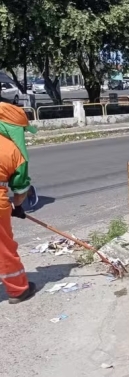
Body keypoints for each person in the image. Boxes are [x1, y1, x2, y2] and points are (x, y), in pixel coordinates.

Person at [0, 101, 37, 304]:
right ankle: (18, 290)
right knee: (4, 249)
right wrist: (17, 206)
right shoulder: (14, 151)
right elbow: (21, 190)